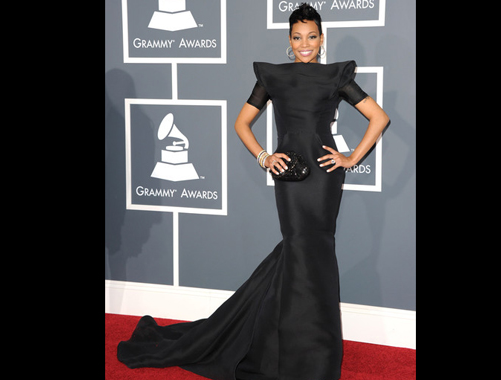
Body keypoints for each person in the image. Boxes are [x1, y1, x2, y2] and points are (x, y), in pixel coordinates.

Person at [117, 4, 390, 380]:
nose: (305, 44)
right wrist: (265, 156)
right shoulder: (273, 76)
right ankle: (291, 350)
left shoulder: (335, 76)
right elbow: (242, 122)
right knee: (298, 251)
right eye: (297, 37)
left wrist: (350, 158)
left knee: (318, 253)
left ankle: (315, 354)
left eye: (312, 36)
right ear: (288, 40)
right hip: (289, 179)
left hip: (323, 180)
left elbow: (380, 117)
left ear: (322, 39)